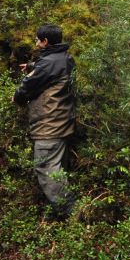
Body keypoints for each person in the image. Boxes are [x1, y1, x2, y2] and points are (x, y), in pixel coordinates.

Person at [13, 24, 77, 219]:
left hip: (49, 126)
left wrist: (17, 97)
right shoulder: (65, 58)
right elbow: (52, 71)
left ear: (45, 41)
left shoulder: (49, 62)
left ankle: (72, 214)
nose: (35, 42)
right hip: (62, 122)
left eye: (37, 39)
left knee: (46, 169)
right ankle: (62, 214)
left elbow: (28, 86)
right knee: (58, 170)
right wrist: (33, 67)